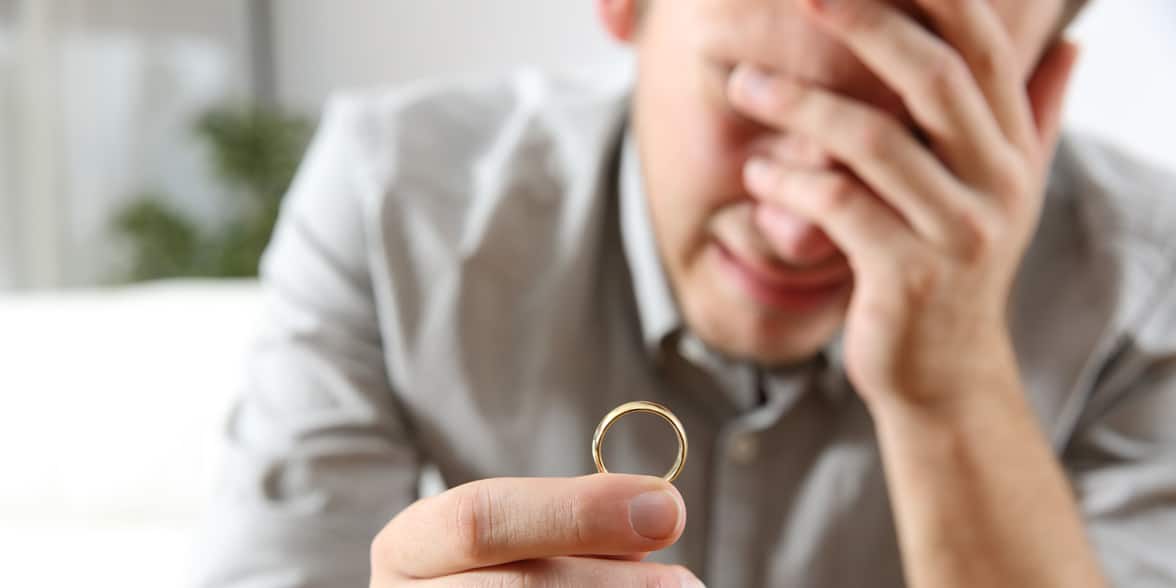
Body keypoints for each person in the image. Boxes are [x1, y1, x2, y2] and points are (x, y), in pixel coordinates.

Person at [197, 0, 1176, 586]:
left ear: (1040, 90)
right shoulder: (395, 197)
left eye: (916, 135)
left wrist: (952, 382)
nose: (798, 229)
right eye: (753, 92)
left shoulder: (1148, 278)